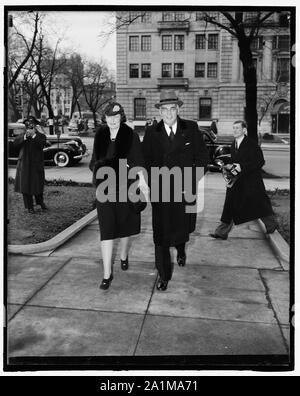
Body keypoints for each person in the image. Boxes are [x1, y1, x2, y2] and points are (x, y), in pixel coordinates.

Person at [142, 90, 209, 291]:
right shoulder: (152, 133)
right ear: (160, 112)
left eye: (173, 108)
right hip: (161, 192)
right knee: (160, 234)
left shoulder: (191, 128)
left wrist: (190, 181)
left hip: (185, 191)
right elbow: (145, 161)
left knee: (183, 229)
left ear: (178, 109)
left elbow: (203, 158)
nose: (169, 113)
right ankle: (164, 274)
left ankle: (180, 249)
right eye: (165, 109)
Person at [89, 102, 148, 290]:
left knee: (125, 227)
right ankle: (107, 274)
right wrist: (99, 170)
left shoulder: (130, 135)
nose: (113, 121)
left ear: (120, 117)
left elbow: (138, 161)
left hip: (126, 188)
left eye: (116, 117)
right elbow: (93, 161)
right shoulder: (100, 135)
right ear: (105, 118)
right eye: (109, 117)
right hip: (104, 190)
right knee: (106, 231)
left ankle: (123, 255)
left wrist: (143, 183)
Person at [210, 120, 278, 240]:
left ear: (244, 130)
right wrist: (229, 168)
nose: (234, 130)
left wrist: (243, 167)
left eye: (237, 128)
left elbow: (260, 161)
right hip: (236, 181)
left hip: (251, 182)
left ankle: (271, 224)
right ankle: (221, 232)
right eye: (233, 128)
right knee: (230, 205)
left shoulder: (251, 144)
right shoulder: (233, 144)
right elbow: (235, 162)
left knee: (258, 204)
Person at [14, 116, 47, 214]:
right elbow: (15, 144)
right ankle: (29, 207)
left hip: (36, 165)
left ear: (35, 126)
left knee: (37, 185)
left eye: (31, 125)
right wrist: (24, 137)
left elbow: (41, 145)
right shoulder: (22, 135)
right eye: (27, 125)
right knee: (25, 186)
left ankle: (40, 203)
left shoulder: (40, 136)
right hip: (24, 165)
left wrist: (33, 136)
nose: (29, 127)